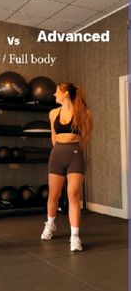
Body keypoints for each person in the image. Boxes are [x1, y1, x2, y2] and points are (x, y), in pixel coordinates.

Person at [41, 82, 93, 251]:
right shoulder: (53, 113)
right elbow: (53, 137)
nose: (55, 94)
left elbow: (85, 138)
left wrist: (74, 149)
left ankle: (75, 237)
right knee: (53, 195)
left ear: (65, 93)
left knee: (73, 194)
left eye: (57, 91)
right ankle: (50, 224)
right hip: (57, 155)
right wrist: (59, 151)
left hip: (75, 155)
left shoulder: (84, 113)